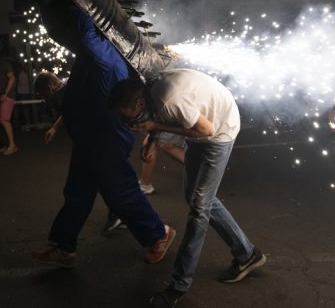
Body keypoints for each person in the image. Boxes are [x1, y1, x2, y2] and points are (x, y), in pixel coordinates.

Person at [31, 0, 175, 268]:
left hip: (105, 137)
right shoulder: (90, 56)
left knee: (120, 192)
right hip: (89, 138)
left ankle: (159, 234)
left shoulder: (105, 53)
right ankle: (63, 244)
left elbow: (85, 36)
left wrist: (79, 4)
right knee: (77, 193)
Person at [110, 69, 266, 307]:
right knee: (197, 198)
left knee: (199, 210)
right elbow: (159, 116)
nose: (127, 123)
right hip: (200, 125)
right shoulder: (149, 92)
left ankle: (179, 285)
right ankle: (247, 254)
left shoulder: (170, 101)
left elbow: (206, 130)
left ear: (139, 102)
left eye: (127, 117)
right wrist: (153, 137)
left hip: (218, 132)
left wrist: (155, 126)